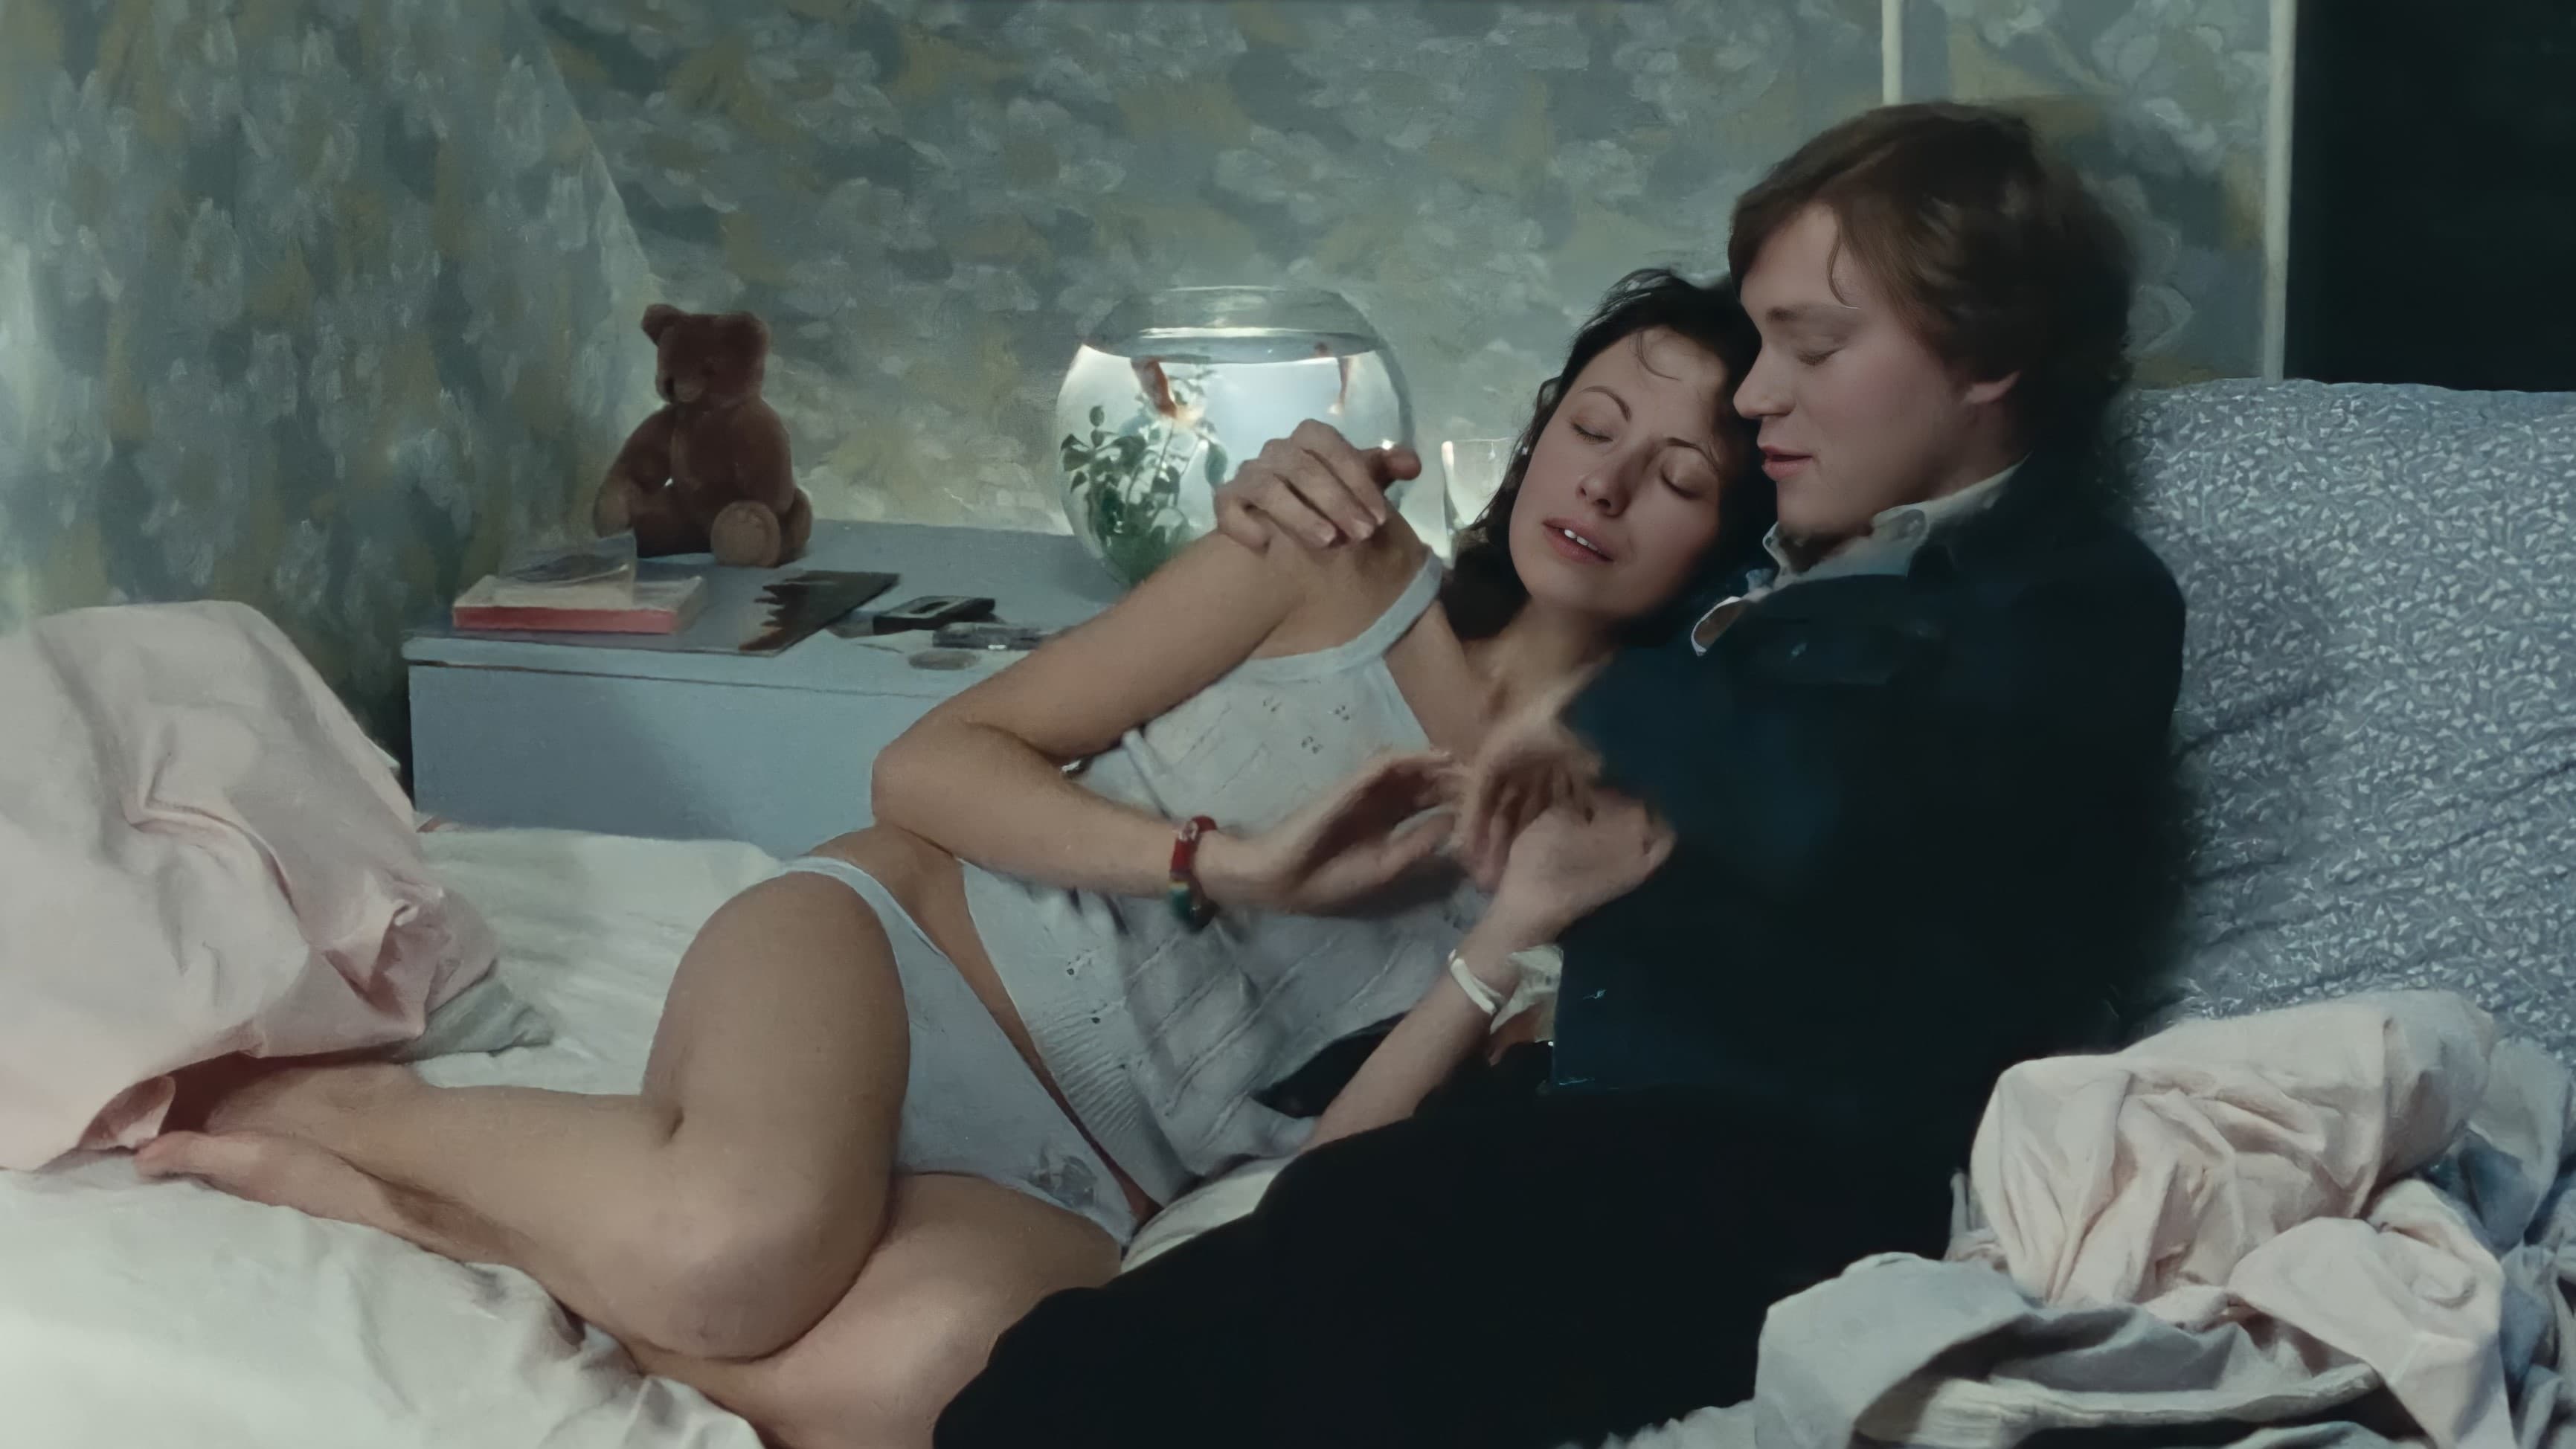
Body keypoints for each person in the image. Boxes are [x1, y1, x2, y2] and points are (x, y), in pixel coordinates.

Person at [132, 270, 1768, 1449]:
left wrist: (1502, 935)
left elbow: (1340, 1197)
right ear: (1541, 427)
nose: (1608, 480)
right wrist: (1232, 864)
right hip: (909, 953)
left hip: (1091, 1178)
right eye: (1593, 421)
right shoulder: (1329, 563)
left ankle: (469, 1227)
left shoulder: (1619, 851)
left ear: (1735, 544)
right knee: (735, 1252)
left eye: (1681, 473)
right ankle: (360, 1119)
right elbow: (927, 766)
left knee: (955, 1391)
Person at [935, 102, 2188, 1449]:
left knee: (1150, 1375)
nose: (1758, 393)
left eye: (1813, 347)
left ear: (1988, 356)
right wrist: (1301, 496)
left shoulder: (2074, 599)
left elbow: (1847, 791)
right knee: (1061, 1373)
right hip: (1563, 1124)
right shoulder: (1776, 567)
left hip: (1774, 1163)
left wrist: (1608, 722)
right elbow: (1587, 587)